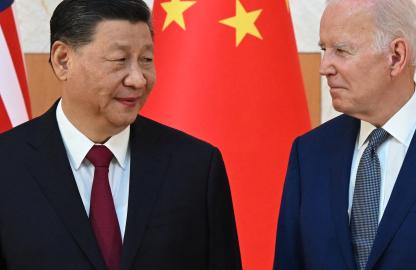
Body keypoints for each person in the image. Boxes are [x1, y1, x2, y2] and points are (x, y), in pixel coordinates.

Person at [0, 0, 241, 269]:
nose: (138, 79)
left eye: (146, 60)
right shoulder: (7, 164)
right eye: (119, 60)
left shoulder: (196, 167)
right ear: (62, 60)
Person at [274, 0, 416, 269]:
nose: (325, 67)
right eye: (325, 49)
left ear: (396, 56)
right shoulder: (310, 152)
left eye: (342, 51)